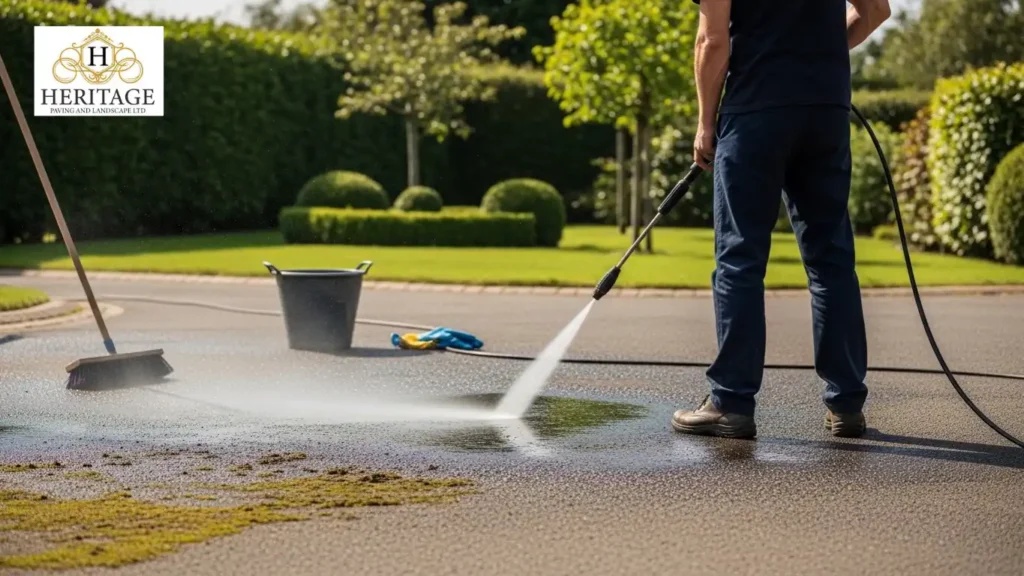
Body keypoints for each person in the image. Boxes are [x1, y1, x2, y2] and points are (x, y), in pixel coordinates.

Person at [671, 0, 892, 440]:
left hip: (756, 110)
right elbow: (876, 12)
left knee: (740, 260)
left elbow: (712, 40)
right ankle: (846, 404)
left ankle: (731, 402)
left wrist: (704, 123)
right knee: (831, 261)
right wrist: (821, 58)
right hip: (825, 112)